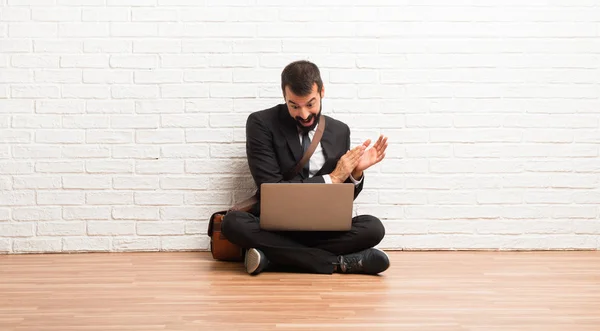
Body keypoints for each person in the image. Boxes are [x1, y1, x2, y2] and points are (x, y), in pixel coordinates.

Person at [221, 60, 390, 276]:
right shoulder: (261, 123)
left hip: (320, 228)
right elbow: (270, 188)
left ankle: (272, 257)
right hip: (275, 226)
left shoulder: (340, 131)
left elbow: (342, 199)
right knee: (233, 223)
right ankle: (338, 262)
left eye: (310, 104)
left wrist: (355, 173)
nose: (303, 114)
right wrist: (333, 177)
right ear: (284, 97)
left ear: (322, 92)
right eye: (294, 106)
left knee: (373, 227)